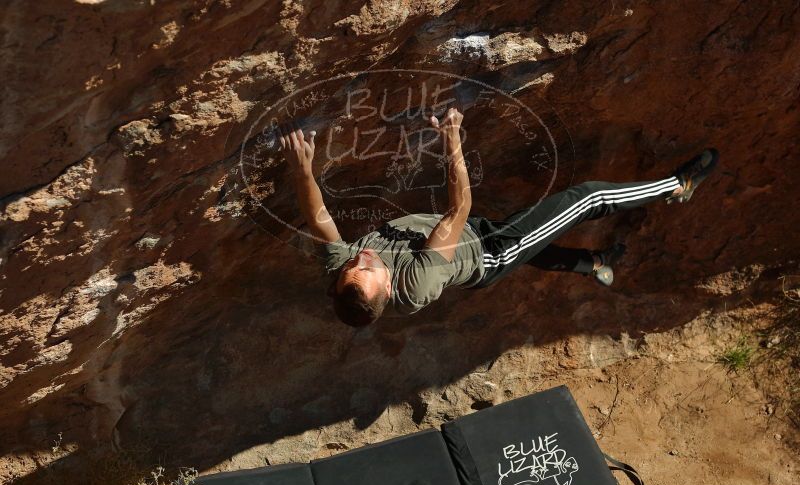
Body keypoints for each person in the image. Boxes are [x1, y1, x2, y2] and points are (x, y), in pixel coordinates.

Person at [277, 108, 719, 327]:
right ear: (389, 287)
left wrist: (302, 171)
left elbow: (319, 219)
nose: (363, 258)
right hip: (492, 250)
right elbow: (458, 209)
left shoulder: (344, 275)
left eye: (354, 264)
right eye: (369, 267)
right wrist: (451, 141)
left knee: (542, 249)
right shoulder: (417, 284)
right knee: (585, 200)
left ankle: (596, 264)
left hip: (470, 241)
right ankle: (676, 188)